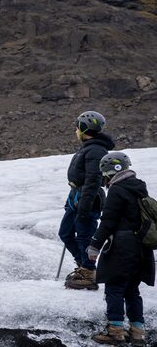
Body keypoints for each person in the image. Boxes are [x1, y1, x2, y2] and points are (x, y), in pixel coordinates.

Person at [86, 152, 151, 345]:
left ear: (109, 172)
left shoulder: (117, 189)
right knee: (132, 289)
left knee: (114, 287)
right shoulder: (139, 187)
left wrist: (94, 246)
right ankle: (137, 331)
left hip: (122, 247)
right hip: (140, 247)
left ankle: (115, 331)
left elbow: (108, 221)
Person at [61, 111, 114, 291]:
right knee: (65, 232)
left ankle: (89, 272)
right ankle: (84, 265)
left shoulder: (96, 149)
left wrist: (84, 206)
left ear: (84, 128)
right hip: (77, 196)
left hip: (88, 199)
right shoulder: (88, 146)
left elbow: (93, 179)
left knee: (84, 235)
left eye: (77, 126)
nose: (76, 130)